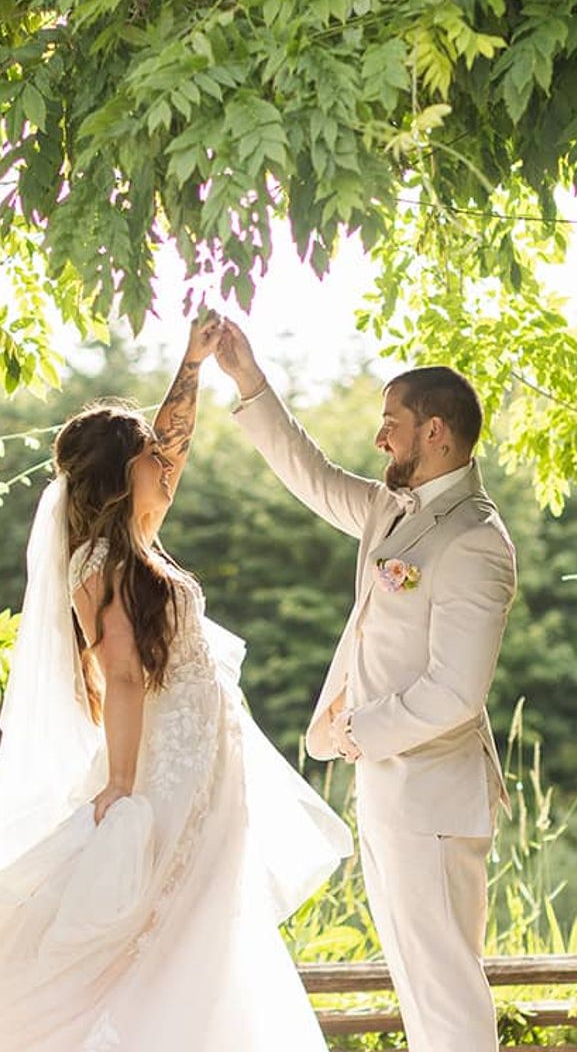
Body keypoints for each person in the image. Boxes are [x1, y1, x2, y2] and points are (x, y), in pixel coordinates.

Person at [0, 312, 351, 1052]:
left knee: (202, 918)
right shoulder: (102, 563)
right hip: (164, 769)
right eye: (150, 454)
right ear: (126, 472)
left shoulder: (136, 539)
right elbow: (120, 677)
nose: (165, 460)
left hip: (206, 761)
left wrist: (192, 365)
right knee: (158, 922)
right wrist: (123, 789)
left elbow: (175, 442)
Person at [214, 318, 517, 1052]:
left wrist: (356, 733)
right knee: (418, 985)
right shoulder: (390, 506)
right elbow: (312, 475)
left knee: (447, 987)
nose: (380, 439)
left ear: (435, 431)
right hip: (387, 789)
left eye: (392, 425)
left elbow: (455, 694)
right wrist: (248, 380)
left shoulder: (476, 541)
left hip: (435, 801)